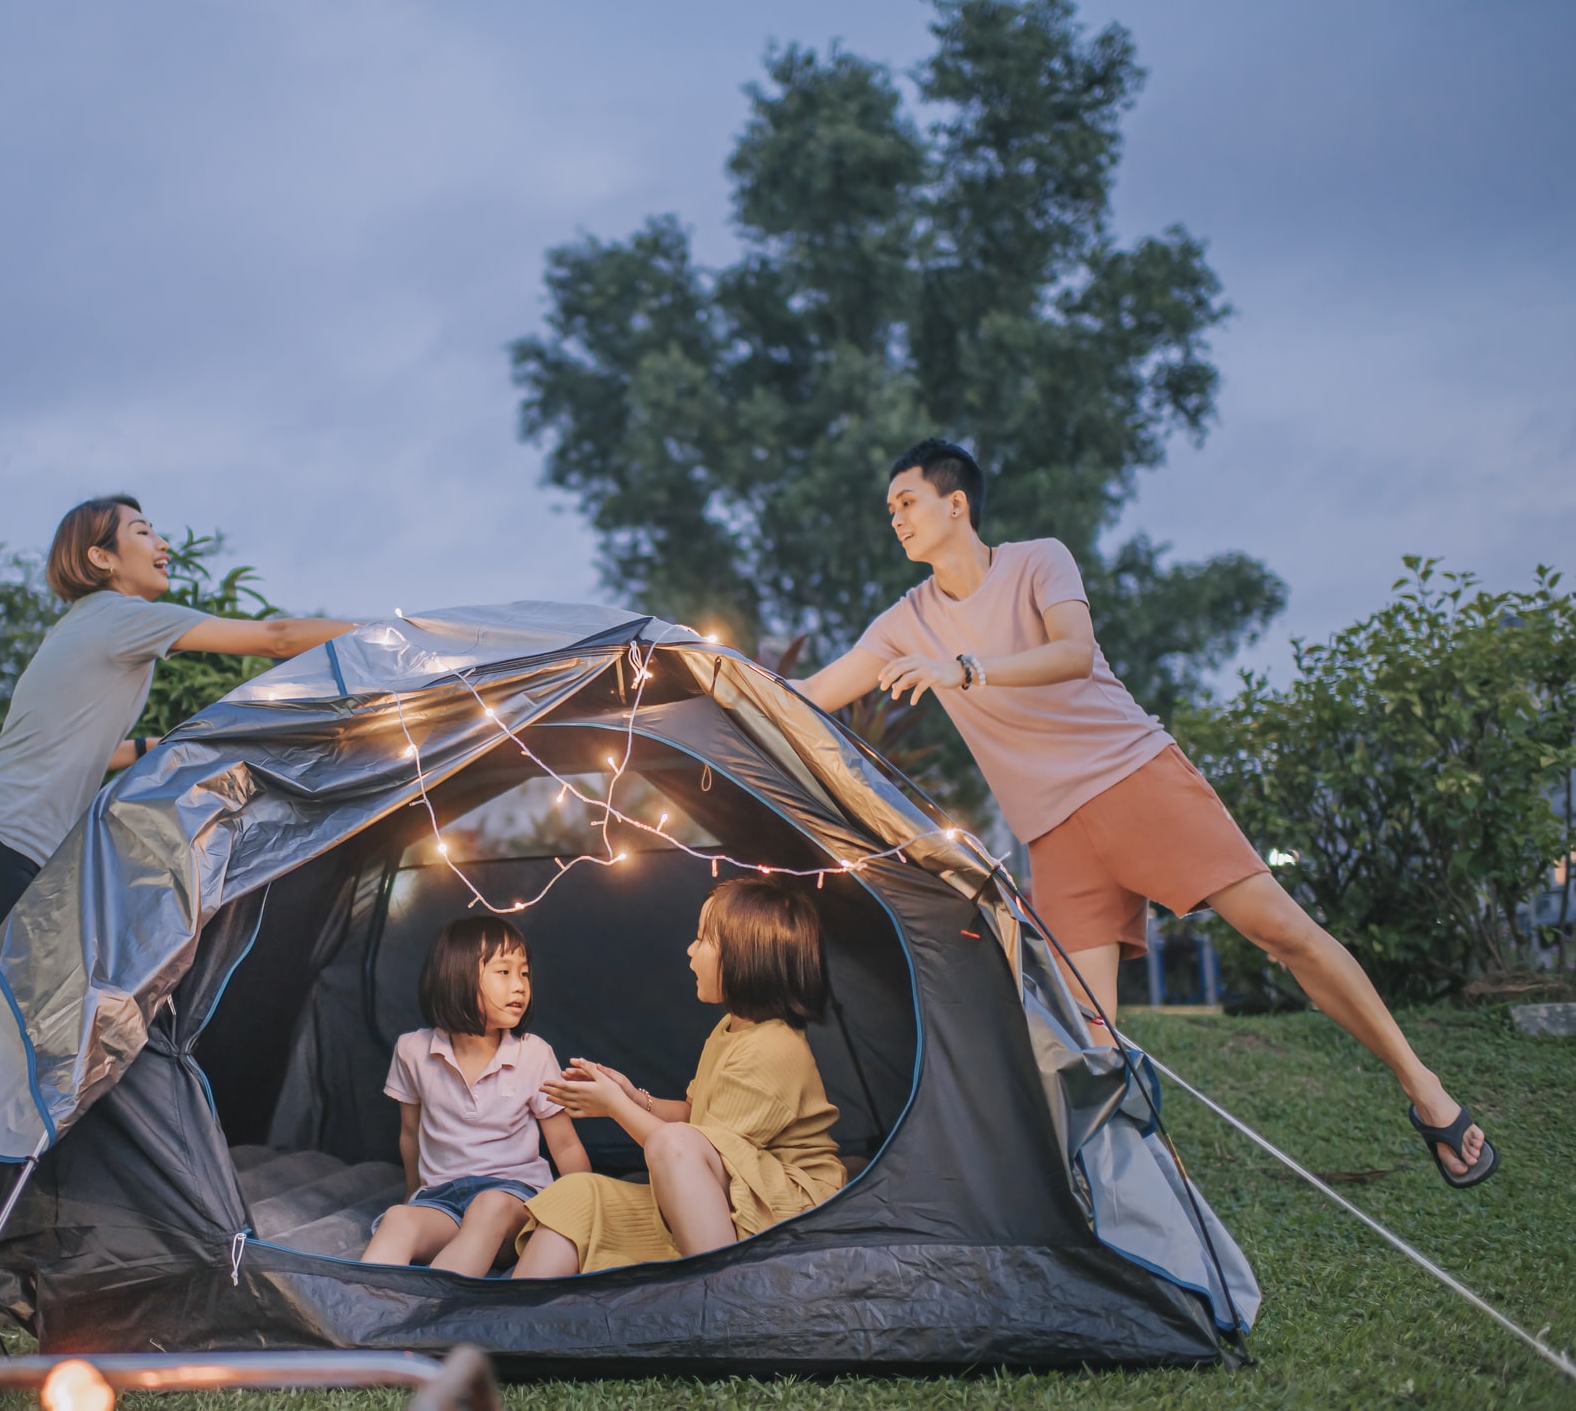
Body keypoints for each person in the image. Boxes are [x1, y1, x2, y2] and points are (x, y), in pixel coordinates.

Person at [796, 439, 1498, 1189]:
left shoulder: (1038, 561)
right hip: (1056, 834)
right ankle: (1139, 1205)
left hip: (1135, 779)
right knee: (1090, 1033)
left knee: (1282, 932)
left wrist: (963, 670)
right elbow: (808, 694)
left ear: (955, 502)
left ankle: (1425, 1091)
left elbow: (1074, 651)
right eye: (890, 509)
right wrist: (688, 673)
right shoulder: (906, 621)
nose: (894, 518)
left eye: (906, 502)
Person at [0, 494, 355, 982]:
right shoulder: (119, 617)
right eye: (142, 531)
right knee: (44, 1043)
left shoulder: (86, 624)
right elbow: (277, 637)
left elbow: (96, 750)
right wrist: (389, 631)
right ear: (101, 556)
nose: (163, 544)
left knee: (33, 1044)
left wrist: (182, 744)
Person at [511, 878, 846, 1277]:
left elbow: (687, 1150)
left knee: (672, 1144)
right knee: (576, 1195)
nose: (690, 949)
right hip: (727, 1194)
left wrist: (616, 1108)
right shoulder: (731, 1029)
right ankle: (515, 1324)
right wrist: (635, 1098)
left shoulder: (774, 1047)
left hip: (786, 1207)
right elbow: (697, 1119)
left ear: (745, 955)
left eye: (704, 939)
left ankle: (718, 1296)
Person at [362, 918, 590, 1275]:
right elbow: (410, 1133)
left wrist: (583, 1210)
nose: (519, 986)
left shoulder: (533, 1054)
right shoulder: (413, 1050)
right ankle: (361, 1318)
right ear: (457, 976)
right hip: (443, 1199)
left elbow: (564, 1145)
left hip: (514, 1198)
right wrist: (412, 1195)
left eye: (525, 974)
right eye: (504, 972)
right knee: (398, 1220)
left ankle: (436, 1315)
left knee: (489, 1205)